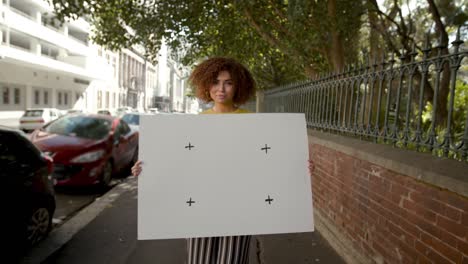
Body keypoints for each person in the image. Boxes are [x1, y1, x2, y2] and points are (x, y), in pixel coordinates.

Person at [131, 57, 315, 264]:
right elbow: (180, 165)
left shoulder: (253, 121)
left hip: (239, 206)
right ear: (206, 84)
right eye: (216, 82)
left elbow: (266, 160)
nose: (221, 89)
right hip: (201, 206)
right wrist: (147, 169)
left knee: (232, 260)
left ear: (238, 87)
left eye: (228, 83)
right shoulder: (195, 123)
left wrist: (298, 167)